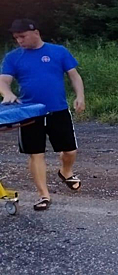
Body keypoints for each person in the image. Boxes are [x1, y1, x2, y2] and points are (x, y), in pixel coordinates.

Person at [0, 19, 86, 211]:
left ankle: (65, 171)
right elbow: (3, 81)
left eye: (22, 36)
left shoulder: (58, 51)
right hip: (29, 113)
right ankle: (43, 196)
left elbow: (74, 75)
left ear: (35, 33)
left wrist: (80, 96)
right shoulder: (13, 57)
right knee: (36, 154)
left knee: (70, 150)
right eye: (16, 38)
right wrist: (8, 93)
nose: (19, 41)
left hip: (58, 109)